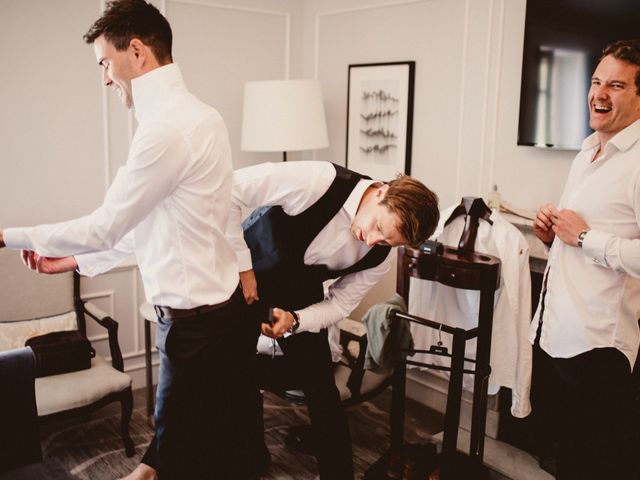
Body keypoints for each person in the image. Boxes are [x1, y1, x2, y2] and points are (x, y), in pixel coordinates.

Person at [0, 1, 259, 478]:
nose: (103, 78)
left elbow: (105, 226)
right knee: (201, 444)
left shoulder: (164, 131)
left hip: (192, 330)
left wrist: (6, 235)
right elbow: (155, 229)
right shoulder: (205, 117)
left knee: (181, 457)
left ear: (136, 52)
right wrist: (76, 263)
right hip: (218, 318)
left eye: (104, 62)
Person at [126, 160, 440, 480]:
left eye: (387, 242)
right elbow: (226, 192)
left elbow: (340, 304)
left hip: (297, 295)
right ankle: (151, 467)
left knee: (322, 390)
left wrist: (295, 321)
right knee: (200, 371)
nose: (372, 241)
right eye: (377, 227)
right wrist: (244, 271)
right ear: (381, 192)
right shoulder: (316, 181)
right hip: (237, 277)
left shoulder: (378, 257)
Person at [531, 39, 640, 480]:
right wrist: (550, 237)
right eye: (596, 81)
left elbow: (588, 238)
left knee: (595, 465)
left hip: (599, 347)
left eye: (616, 85)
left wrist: (586, 237)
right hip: (558, 335)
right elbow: (574, 242)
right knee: (566, 461)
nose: (599, 94)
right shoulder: (586, 152)